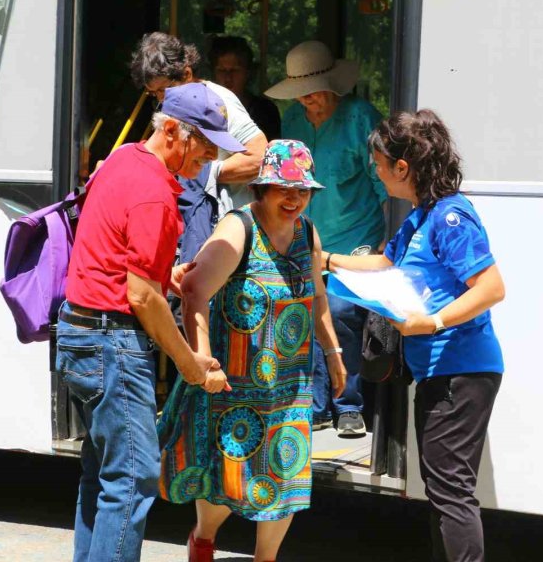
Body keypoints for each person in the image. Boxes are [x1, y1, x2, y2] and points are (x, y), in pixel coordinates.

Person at [56, 82, 245, 562]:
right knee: (135, 477)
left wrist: (165, 276)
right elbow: (140, 296)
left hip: (82, 335)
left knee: (104, 473)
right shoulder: (156, 195)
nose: (207, 158)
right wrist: (188, 362)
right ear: (172, 132)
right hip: (110, 342)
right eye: (202, 145)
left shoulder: (122, 159)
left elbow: (124, 262)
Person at [324, 110, 506, 562]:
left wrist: (433, 322)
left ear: (402, 167)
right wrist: (324, 258)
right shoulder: (422, 216)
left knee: (450, 492)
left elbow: (491, 287)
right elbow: (385, 265)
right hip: (440, 371)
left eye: (380, 165)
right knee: (442, 488)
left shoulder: (450, 217)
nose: (377, 174)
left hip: (460, 369)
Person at [158, 139, 347, 562]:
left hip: (290, 387)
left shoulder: (308, 234)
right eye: (284, 189)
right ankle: (204, 539)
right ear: (263, 188)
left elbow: (317, 298)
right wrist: (202, 360)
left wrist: (333, 353)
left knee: (287, 480)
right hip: (234, 385)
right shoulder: (238, 227)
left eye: (302, 190)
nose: (295, 198)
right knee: (226, 479)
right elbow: (192, 290)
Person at [266, 40, 386, 436]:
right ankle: (314, 406)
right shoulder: (294, 123)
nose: (307, 100)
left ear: (334, 85)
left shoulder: (361, 119)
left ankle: (348, 405)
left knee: (338, 312)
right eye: (300, 93)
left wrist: (389, 245)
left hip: (357, 242)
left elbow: (383, 186)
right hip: (307, 239)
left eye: (314, 91)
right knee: (301, 314)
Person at [130, 32, 267, 214]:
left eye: (165, 89)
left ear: (186, 73)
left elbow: (260, 157)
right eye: (154, 93)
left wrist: (203, 173)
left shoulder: (218, 101)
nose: (162, 99)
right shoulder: (172, 105)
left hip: (229, 225)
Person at [208, 35, 281, 141]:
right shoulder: (205, 108)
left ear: (248, 72)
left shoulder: (265, 111)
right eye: (222, 70)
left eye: (235, 70)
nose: (228, 78)